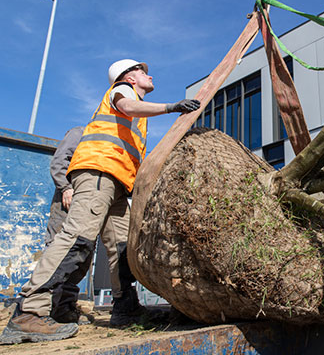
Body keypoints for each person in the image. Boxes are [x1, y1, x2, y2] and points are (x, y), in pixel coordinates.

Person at [1, 59, 201, 344]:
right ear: (129, 77)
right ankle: (29, 311)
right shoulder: (123, 92)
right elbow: (127, 107)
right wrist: (171, 107)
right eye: (143, 72)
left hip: (118, 183)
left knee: (121, 247)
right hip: (99, 171)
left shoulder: (138, 115)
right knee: (77, 237)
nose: (150, 74)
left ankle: (125, 307)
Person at [44, 126, 91, 325]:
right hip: (68, 198)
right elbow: (59, 160)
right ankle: (44, 306)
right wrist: (65, 187)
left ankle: (64, 306)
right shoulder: (81, 132)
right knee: (58, 247)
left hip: (87, 203)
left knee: (81, 254)